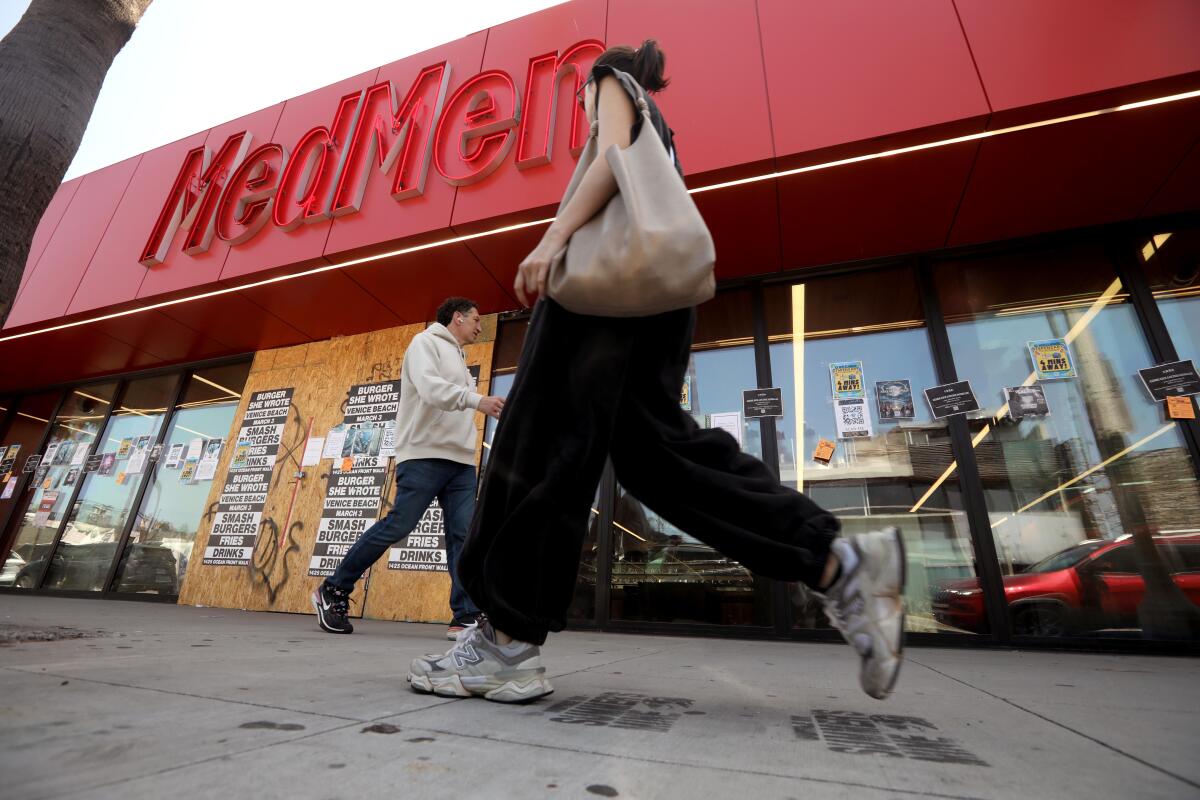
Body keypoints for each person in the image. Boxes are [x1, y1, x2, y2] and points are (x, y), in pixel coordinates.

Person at [408, 42, 905, 703]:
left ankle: (503, 642)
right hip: (655, 308)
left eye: (581, 100)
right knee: (657, 458)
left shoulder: (613, 85)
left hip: (595, 303)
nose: (583, 107)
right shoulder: (663, 139)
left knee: (538, 447)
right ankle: (838, 563)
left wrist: (553, 239)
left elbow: (611, 154)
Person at [312, 297, 505, 639]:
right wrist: (478, 401)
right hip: (423, 455)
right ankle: (334, 589)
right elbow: (432, 391)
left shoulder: (460, 359)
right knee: (399, 525)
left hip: (460, 462)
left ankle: (465, 615)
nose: (479, 326)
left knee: (463, 536)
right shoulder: (424, 344)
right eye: (475, 319)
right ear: (457, 318)